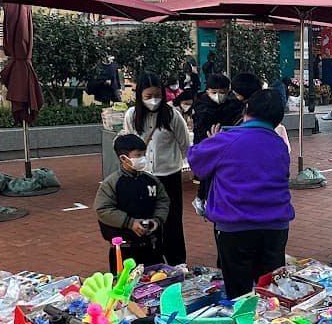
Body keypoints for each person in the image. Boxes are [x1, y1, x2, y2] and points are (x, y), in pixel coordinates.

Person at [189, 90, 295, 297]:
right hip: (275, 227)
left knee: (239, 291)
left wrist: (213, 140)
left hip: (236, 226)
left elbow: (196, 160)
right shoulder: (279, 144)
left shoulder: (227, 139)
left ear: (247, 109)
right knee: (271, 289)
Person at [123, 73, 192, 264]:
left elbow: (185, 145)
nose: (154, 100)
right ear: (140, 96)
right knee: (146, 220)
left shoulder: (172, 115)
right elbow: (128, 144)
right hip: (143, 176)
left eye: (157, 95)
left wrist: (194, 169)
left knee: (172, 222)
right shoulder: (132, 115)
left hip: (169, 175)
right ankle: (151, 262)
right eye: (148, 96)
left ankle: (177, 262)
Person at [94, 134, 169, 271]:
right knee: (126, 288)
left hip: (151, 246)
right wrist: (130, 223)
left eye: (144, 154)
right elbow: (102, 209)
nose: (143, 158)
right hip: (124, 249)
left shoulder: (151, 181)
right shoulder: (112, 183)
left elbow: (163, 201)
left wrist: (157, 220)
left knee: (157, 282)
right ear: (123, 158)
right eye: (138, 155)